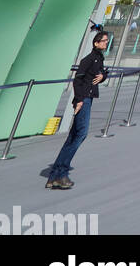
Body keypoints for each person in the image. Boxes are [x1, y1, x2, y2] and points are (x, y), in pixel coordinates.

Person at [46, 28, 110, 190]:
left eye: (107, 41)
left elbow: (100, 73)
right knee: (81, 134)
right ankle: (61, 172)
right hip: (84, 99)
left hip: (87, 98)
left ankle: (55, 175)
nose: (106, 43)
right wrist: (80, 100)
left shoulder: (99, 59)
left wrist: (103, 76)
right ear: (96, 43)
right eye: (104, 41)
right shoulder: (89, 59)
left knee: (73, 136)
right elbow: (78, 80)